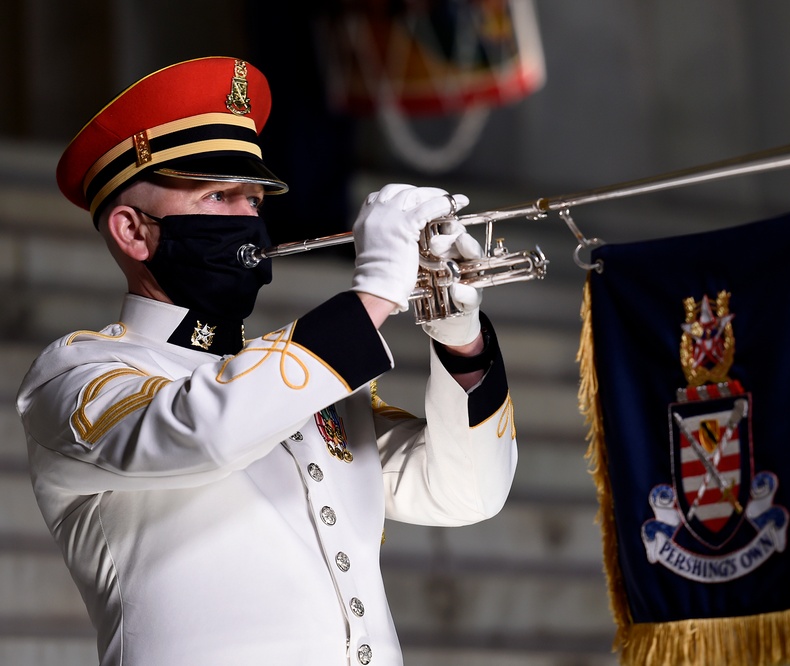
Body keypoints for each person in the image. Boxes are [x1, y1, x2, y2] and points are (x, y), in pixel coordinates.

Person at [16, 56, 517, 666]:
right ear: (133, 231)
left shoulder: (310, 387)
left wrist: (458, 336)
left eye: (254, 199)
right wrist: (373, 295)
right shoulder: (76, 376)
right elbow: (202, 430)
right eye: (220, 195)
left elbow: (466, 494)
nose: (248, 221)